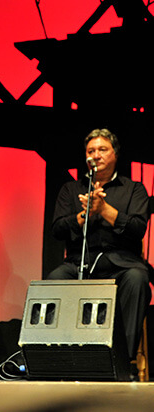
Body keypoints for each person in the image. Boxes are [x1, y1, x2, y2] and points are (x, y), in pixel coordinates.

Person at [48, 128, 151, 362]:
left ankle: (120, 360)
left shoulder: (134, 189)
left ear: (115, 154)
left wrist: (104, 210)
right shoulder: (70, 189)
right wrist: (83, 215)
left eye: (102, 149)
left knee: (137, 278)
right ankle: (59, 360)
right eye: (90, 151)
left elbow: (137, 228)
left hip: (121, 263)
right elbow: (57, 229)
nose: (96, 155)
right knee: (54, 279)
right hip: (79, 262)